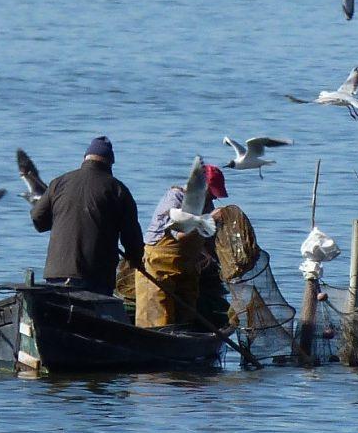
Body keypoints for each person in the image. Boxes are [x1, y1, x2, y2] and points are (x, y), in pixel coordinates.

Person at [30, 136, 145, 297]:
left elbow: (38, 219)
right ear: (110, 162)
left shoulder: (58, 183)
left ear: (85, 158)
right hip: (95, 277)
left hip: (56, 272)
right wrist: (135, 260)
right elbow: (131, 238)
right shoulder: (117, 189)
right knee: (92, 317)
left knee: (60, 314)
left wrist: (60, 218)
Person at [134, 163, 230, 330]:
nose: (213, 198)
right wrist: (209, 219)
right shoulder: (176, 198)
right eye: (211, 193)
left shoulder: (206, 205)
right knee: (158, 318)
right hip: (158, 268)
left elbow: (208, 240)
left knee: (185, 317)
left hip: (186, 269)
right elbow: (181, 235)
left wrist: (216, 259)